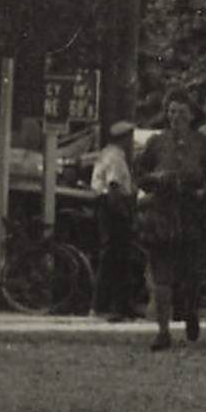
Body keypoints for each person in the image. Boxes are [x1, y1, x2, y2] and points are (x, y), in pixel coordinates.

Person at [137, 89, 206, 352]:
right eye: (172, 111)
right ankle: (163, 331)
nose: (176, 117)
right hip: (162, 214)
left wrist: (205, 191)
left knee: (191, 275)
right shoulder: (155, 143)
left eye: (182, 112)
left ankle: (190, 310)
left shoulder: (205, 144)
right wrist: (154, 178)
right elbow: (140, 173)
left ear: (192, 115)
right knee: (162, 276)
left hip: (192, 214)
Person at [90, 120, 139, 322]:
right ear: (124, 138)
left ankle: (118, 305)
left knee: (116, 258)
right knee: (115, 257)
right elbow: (114, 188)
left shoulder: (106, 154)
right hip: (113, 209)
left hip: (108, 207)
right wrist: (124, 213)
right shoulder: (116, 158)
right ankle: (108, 305)